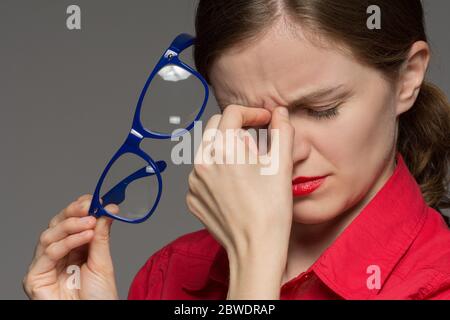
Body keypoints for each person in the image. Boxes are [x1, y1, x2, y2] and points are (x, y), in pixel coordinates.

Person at [24, 0, 450, 300]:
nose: (287, 150)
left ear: (408, 77)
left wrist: (255, 263)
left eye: (322, 109)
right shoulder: (170, 273)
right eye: (251, 119)